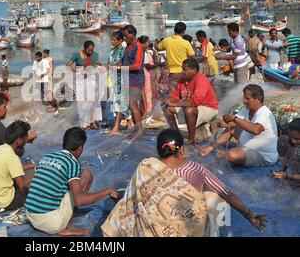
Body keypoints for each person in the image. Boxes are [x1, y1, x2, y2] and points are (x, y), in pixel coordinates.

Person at [102, 129, 267, 237]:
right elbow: (227, 194)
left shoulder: (146, 166)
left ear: (159, 150)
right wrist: (250, 215)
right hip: (185, 230)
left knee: (125, 205)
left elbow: (135, 193)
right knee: (213, 198)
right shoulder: (194, 168)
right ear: (181, 150)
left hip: (149, 229)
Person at [25, 127, 119, 236]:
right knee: (86, 175)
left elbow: (28, 183)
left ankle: (59, 216)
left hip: (30, 216)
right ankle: (67, 226)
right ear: (80, 148)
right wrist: (108, 191)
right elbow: (79, 200)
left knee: (62, 182)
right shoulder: (72, 163)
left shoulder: (46, 157)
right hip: (51, 224)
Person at [200, 85, 278, 167]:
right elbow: (231, 123)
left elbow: (256, 130)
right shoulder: (247, 109)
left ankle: (222, 154)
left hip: (262, 155)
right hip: (245, 147)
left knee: (232, 155)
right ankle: (211, 148)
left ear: (257, 100)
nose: (244, 101)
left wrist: (234, 118)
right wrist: (220, 122)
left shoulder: (264, 113)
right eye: (244, 98)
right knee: (232, 128)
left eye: (247, 99)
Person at [163, 58, 219, 146]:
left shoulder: (201, 79)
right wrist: (168, 101)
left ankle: (191, 141)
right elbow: (175, 96)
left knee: (189, 110)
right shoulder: (182, 80)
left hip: (208, 108)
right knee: (167, 108)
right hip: (193, 108)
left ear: (194, 70)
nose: (183, 72)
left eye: (185, 70)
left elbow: (195, 101)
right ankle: (176, 136)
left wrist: (173, 103)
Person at [0, 121, 36, 212]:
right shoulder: (12, 157)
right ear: (19, 140)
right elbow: (22, 187)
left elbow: (11, 170)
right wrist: (36, 174)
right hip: (5, 202)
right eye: (25, 138)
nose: (26, 141)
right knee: (33, 188)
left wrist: (32, 166)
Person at [110, 25, 145, 140]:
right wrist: (116, 65)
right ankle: (136, 130)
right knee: (128, 105)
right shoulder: (128, 47)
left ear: (133, 34)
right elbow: (123, 61)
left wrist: (121, 68)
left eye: (126, 36)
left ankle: (139, 131)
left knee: (132, 104)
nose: (124, 38)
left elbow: (137, 66)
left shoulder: (138, 46)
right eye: (124, 36)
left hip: (135, 81)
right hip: (126, 80)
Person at [67, 41, 102, 130]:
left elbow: (96, 65)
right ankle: (85, 123)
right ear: (84, 48)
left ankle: (93, 121)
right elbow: (68, 65)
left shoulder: (95, 55)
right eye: (89, 50)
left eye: (92, 50)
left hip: (91, 79)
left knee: (92, 101)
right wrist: (78, 71)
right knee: (82, 102)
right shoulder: (76, 55)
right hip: (80, 80)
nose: (90, 52)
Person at [157, 22, 195, 92]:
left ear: (174, 30)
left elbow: (158, 47)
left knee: (173, 92)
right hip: (184, 71)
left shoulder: (167, 40)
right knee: (184, 91)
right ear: (183, 31)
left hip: (172, 71)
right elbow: (192, 54)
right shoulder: (186, 43)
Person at [107, 31, 132, 136]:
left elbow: (121, 63)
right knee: (117, 100)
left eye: (114, 40)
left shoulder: (123, 50)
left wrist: (112, 65)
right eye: (111, 40)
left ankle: (128, 121)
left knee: (122, 100)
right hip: (114, 77)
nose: (112, 42)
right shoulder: (111, 51)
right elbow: (109, 62)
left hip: (122, 77)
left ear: (120, 40)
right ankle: (126, 121)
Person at [273, 118, 300, 183]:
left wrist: (287, 176)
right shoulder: (292, 142)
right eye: (291, 137)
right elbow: (287, 156)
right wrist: (281, 171)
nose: (293, 141)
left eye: (297, 139)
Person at [140, 36, 160, 118]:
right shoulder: (143, 53)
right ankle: (147, 112)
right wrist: (158, 64)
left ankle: (150, 111)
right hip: (147, 75)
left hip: (151, 76)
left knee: (152, 93)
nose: (149, 43)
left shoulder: (147, 51)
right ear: (143, 43)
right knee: (148, 93)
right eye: (147, 42)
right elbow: (147, 66)